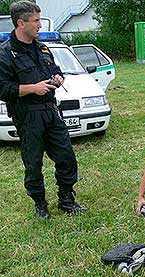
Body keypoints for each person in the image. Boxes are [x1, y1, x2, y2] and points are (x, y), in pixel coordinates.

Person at [0, 1, 87, 219]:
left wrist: (58, 77)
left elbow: (55, 68)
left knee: (66, 156)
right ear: (21, 23)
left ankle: (66, 199)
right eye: (36, 21)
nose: (40, 25)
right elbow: (2, 88)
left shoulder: (42, 47)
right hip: (28, 114)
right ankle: (40, 204)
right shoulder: (6, 53)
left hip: (51, 109)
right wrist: (32, 88)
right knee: (33, 163)